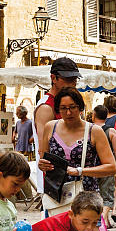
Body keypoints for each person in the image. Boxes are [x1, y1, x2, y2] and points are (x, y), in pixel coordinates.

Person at [37, 86, 116, 231]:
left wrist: (81, 171)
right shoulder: (51, 128)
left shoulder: (94, 131)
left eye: (72, 107)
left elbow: (111, 167)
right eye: (63, 108)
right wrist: (42, 164)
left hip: (87, 198)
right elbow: (43, 157)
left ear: (81, 108)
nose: (68, 112)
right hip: (58, 198)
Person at [33, 57, 81, 195]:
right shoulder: (46, 107)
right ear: (54, 78)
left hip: (73, 176)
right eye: (68, 79)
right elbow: (44, 151)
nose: (72, 83)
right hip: (57, 181)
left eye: (74, 79)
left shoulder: (66, 104)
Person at [92, 105, 116, 228]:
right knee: (107, 196)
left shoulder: (90, 130)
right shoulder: (110, 131)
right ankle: (103, 220)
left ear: (94, 115)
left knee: (96, 194)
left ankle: (105, 222)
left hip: (92, 167)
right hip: (107, 166)